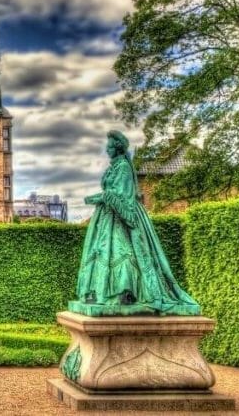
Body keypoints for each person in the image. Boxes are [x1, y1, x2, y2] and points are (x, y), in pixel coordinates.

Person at [70, 130, 200, 316]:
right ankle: (106, 293)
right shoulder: (114, 167)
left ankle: (125, 292)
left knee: (123, 250)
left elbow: (121, 195)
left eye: (109, 145)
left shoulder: (123, 167)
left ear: (117, 147)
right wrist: (98, 198)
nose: (107, 149)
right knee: (103, 251)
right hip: (108, 217)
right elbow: (110, 192)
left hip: (122, 216)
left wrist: (102, 197)